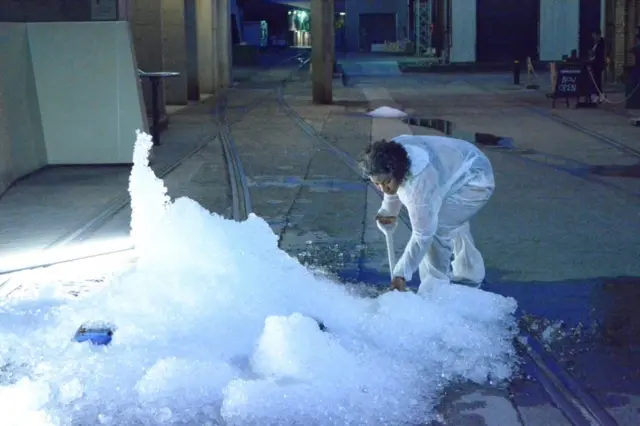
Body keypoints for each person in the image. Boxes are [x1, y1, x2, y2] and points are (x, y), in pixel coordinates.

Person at [357, 135, 495, 294]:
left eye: (386, 182)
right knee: (452, 219)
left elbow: (423, 234)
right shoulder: (388, 155)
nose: (382, 189)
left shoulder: (419, 184)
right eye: (376, 183)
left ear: (399, 171)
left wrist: (401, 274)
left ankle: (435, 289)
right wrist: (389, 210)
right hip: (457, 166)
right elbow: (392, 184)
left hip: (476, 179)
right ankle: (469, 274)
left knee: (439, 228)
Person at [589, 29, 606, 103]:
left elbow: (600, 54)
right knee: (595, 80)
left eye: (594, 35)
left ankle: (600, 95)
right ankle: (595, 95)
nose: (593, 36)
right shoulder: (593, 42)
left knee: (598, 80)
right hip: (593, 64)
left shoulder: (601, 42)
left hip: (598, 64)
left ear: (598, 35)